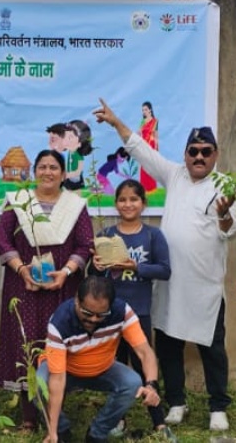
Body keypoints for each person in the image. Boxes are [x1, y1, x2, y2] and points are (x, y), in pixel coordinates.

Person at [94, 99, 236, 431]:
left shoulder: (227, 187)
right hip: (169, 281)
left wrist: (224, 214)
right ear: (186, 154)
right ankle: (177, 401)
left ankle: (218, 406)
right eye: (193, 151)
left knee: (212, 347)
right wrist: (117, 122)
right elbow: (141, 150)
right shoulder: (174, 175)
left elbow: (233, 230)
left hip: (205, 283)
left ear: (215, 154)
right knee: (170, 343)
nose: (199, 157)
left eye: (206, 151)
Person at [0, 149, 94, 432]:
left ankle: (55, 412)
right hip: (23, 286)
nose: (47, 172)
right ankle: (28, 415)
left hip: (63, 287)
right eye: (42, 167)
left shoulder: (75, 205)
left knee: (55, 345)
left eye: (54, 167)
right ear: (34, 171)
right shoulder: (18, 202)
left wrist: (66, 272)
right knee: (26, 344)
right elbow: (2, 241)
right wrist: (22, 269)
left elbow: (85, 245)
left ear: (63, 174)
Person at [38, 277, 162, 443]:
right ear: (76, 301)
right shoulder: (60, 322)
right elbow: (57, 378)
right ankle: (61, 432)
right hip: (65, 371)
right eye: (87, 313)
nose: (94, 319)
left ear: (111, 306)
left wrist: (151, 385)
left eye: (101, 315)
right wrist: (52, 431)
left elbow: (145, 352)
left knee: (132, 383)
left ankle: (97, 433)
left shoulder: (122, 312)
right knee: (39, 383)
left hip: (103, 368)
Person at [91, 179, 170, 431]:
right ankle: (118, 420)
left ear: (143, 203)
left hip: (139, 311)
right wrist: (96, 265)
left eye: (134, 199)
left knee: (145, 365)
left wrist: (137, 267)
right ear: (115, 204)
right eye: (123, 199)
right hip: (111, 312)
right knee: (114, 366)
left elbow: (165, 270)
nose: (128, 204)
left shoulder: (152, 235)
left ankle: (158, 422)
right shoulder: (106, 235)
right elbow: (93, 277)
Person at [47, 120, 94, 191]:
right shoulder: (70, 153)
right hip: (69, 179)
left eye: (70, 138)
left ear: (80, 143)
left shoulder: (78, 155)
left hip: (76, 180)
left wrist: (69, 174)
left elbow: (78, 170)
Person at [138, 102, 159, 192]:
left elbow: (156, 136)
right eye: (143, 110)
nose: (144, 111)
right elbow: (139, 133)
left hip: (151, 144)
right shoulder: (142, 121)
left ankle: (152, 187)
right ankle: (144, 186)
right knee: (143, 165)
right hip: (143, 144)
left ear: (150, 110)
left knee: (151, 165)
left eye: (146, 109)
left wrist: (157, 149)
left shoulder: (155, 121)